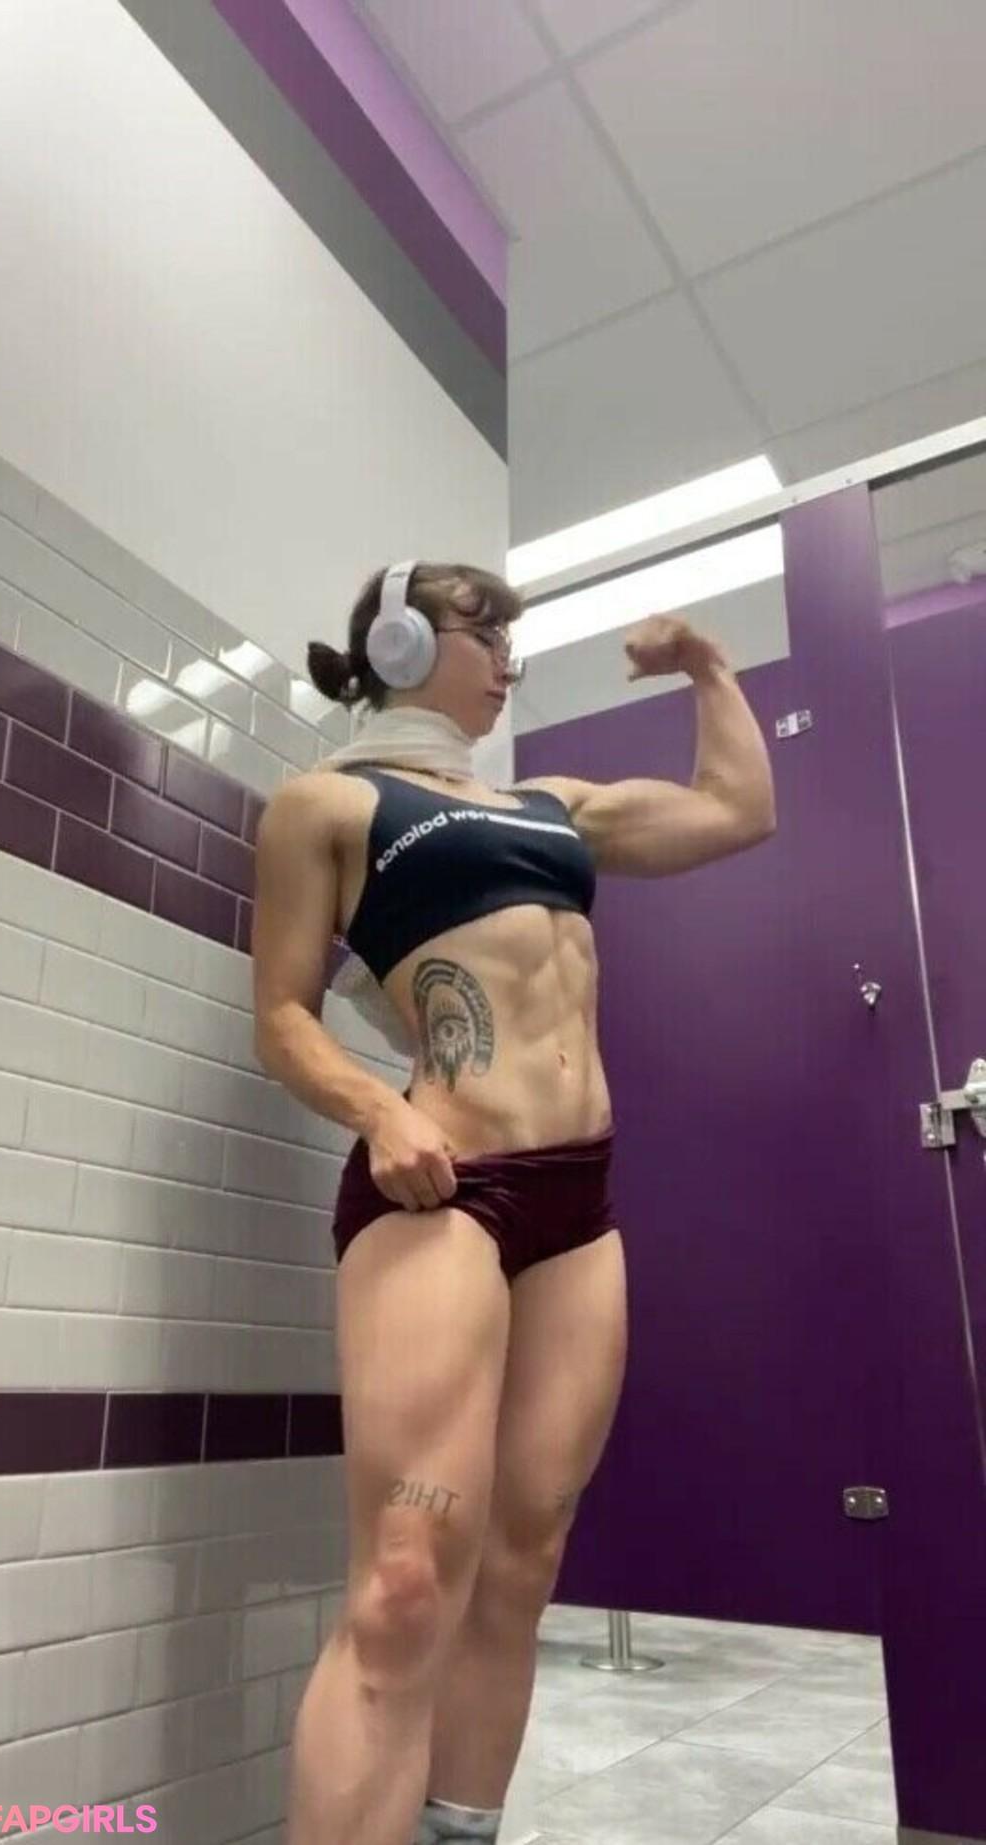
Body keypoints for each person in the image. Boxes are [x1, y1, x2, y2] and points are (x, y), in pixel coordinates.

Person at [251, 561, 776, 1845]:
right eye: (487, 634)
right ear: (400, 639)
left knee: (523, 1562)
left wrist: (708, 667)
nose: (507, 663)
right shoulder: (329, 804)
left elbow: (735, 811)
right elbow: (281, 1015)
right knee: (406, 1579)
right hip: (445, 1191)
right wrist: (379, 1111)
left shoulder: (554, 805)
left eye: (513, 643)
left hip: (576, 1208)